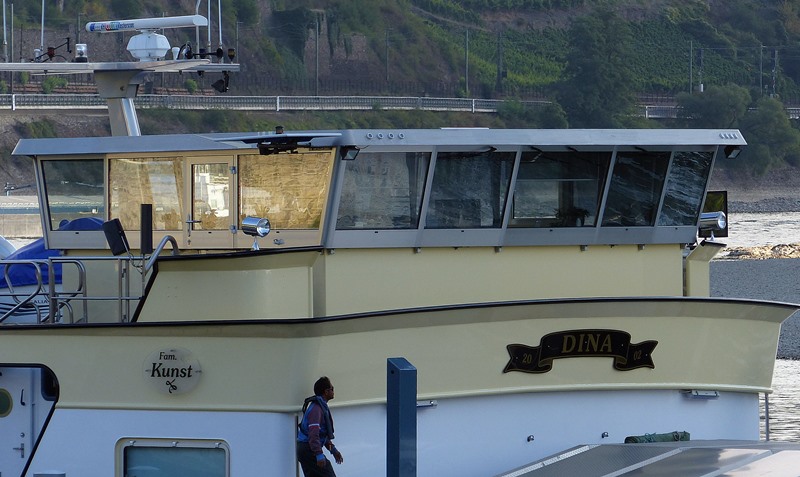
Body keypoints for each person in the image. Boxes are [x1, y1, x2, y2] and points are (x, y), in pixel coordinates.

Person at [297, 376, 344, 476]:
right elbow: (313, 435)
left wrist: (333, 450)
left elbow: (322, 436)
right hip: (308, 449)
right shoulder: (316, 409)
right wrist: (319, 454)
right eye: (332, 388)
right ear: (326, 392)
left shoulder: (320, 406)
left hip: (305, 449)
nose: (333, 391)